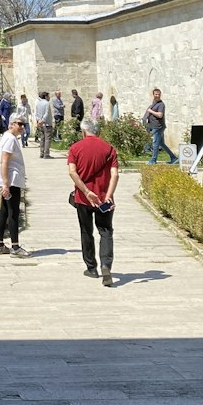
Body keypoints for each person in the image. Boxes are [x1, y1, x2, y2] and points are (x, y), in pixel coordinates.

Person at [67, 118, 119, 286]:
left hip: (83, 198)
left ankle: (91, 268)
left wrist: (87, 192)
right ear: (98, 132)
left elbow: (72, 173)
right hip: (104, 198)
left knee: (86, 231)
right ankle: (106, 265)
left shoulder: (75, 148)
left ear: (84, 132)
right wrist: (109, 195)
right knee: (106, 232)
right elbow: (115, 174)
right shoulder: (109, 149)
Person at [0, 113, 29, 257]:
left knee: (4, 211)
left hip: (10, 180)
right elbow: (4, 162)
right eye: (19, 124)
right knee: (13, 212)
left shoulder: (10, 138)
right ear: (11, 124)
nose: (22, 127)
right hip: (11, 181)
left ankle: (0, 244)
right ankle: (15, 247)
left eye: (23, 125)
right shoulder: (10, 139)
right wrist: (6, 184)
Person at [144, 88, 177, 164]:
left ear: (160, 95)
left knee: (155, 143)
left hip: (158, 126)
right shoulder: (154, 103)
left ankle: (153, 160)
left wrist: (150, 111)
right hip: (153, 126)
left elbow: (160, 115)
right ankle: (174, 158)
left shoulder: (161, 104)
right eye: (156, 94)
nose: (157, 96)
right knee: (161, 144)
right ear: (153, 95)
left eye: (158, 94)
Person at [35, 92, 53, 158]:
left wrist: (39, 120)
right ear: (45, 96)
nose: (49, 97)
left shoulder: (38, 103)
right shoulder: (47, 103)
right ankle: (46, 154)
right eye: (48, 96)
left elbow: (36, 113)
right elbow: (46, 113)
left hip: (40, 124)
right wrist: (42, 120)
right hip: (47, 123)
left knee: (42, 138)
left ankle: (41, 153)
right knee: (47, 139)